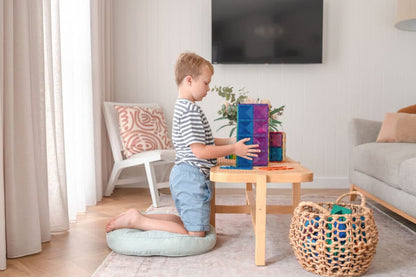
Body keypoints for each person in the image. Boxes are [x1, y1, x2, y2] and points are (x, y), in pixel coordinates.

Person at [105, 52, 260, 237]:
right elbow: (201, 152)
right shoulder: (190, 111)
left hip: (188, 175)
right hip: (191, 177)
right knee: (195, 234)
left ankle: (139, 216)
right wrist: (234, 149)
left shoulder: (185, 107)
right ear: (189, 80)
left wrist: (230, 141)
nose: (209, 88)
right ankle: (138, 221)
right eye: (206, 83)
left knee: (186, 222)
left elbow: (203, 140)